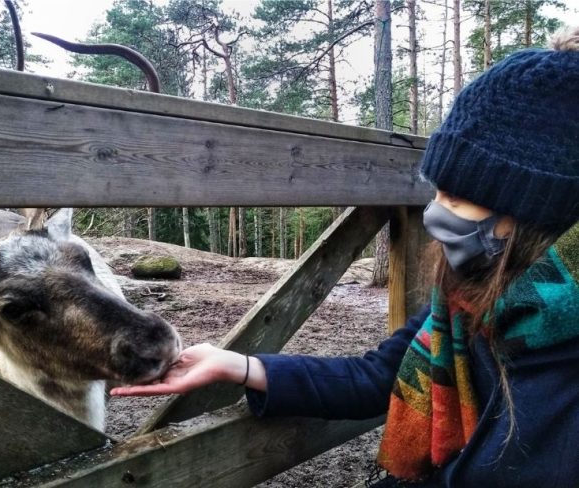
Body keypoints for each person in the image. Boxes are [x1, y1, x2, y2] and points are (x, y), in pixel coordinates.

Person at [112, 27, 579, 487]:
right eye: (436, 191)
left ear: (535, 209)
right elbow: (376, 377)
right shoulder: (468, 292)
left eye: (456, 197)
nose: (435, 213)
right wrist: (239, 366)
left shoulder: (562, 348)